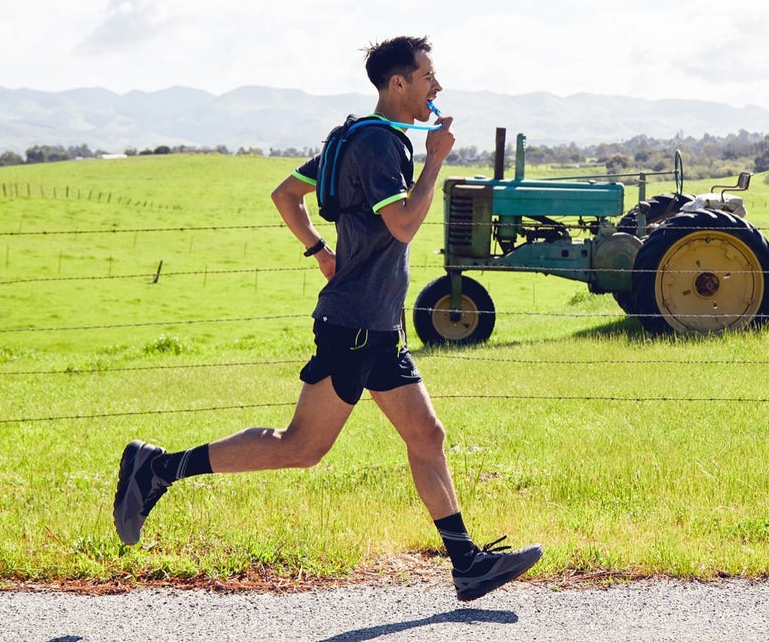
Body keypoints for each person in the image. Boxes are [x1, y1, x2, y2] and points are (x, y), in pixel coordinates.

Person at [112, 35, 541, 602]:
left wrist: (322, 252)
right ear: (399, 84)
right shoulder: (380, 147)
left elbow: (285, 194)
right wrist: (436, 161)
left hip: (380, 324)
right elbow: (405, 225)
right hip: (355, 324)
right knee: (300, 447)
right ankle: (159, 469)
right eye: (429, 77)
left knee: (426, 434)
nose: (437, 86)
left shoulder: (353, 138)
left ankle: (466, 563)